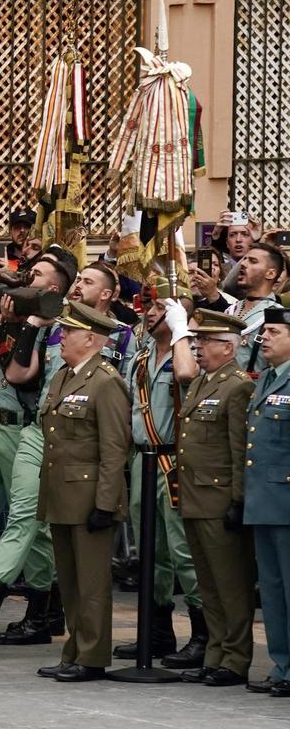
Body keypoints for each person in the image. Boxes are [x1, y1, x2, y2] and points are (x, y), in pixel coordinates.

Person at [0, 256, 75, 641]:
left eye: (34, 275)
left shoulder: (57, 329)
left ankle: (19, 608)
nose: (24, 279)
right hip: (6, 431)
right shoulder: (26, 321)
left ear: (53, 289)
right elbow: (2, 368)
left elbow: (21, 377)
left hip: (31, 432)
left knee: (28, 520)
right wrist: (11, 323)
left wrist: (22, 325)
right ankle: (36, 614)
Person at [35, 301, 130, 682]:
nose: (62, 337)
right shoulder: (63, 377)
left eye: (70, 331)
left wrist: (105, 503)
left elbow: (114, 449)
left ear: (90, 339)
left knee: (91, 583)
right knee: (70, 581)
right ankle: (74, 649)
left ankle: (92, 656)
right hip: (62, 494)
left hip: (90, 497)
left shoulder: (106, 381)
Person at [112, 276, 203, 667]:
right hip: (143, 458)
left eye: (159, 307)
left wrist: (181, 329)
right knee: (152, 549)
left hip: (175, 460)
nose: (149, 313)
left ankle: (202, 635)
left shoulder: (190, 349)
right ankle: (157, 631)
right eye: (147, 306)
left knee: (183, 550)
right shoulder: (142, 353)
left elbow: (186, 376)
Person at [173, 309, 256, 687]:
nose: (198, 347)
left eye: (206, 341)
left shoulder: (237, 387)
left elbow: (240, 450)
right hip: (196, 497)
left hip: (219, 499)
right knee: (208, 584)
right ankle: (215, 653)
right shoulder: (203, 383)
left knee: (231, 585)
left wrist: (238, 500)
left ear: (228, 347)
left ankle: (235, 660)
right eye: (197, 341)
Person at [244, 306, 290, 696]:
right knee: (273, 590)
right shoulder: (268, 379)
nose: (265, 339)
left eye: (274, 332)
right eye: (265, 332)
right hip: (263, 498)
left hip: (286, 499)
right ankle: (282, 663)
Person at [226, 242, 284, 377]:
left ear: (270, 273)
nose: (243, 264)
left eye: (253, 261)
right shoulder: (230, 309)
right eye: (244, 259)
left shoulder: (278, 316)